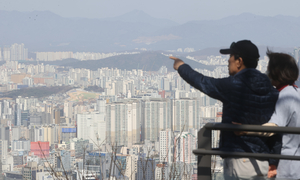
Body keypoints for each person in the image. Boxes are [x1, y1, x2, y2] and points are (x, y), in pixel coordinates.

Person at [170, 40, 279, 179]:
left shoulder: (234, 85)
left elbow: (204, 82)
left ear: (239, 61)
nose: (228, 61)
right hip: (263, 159)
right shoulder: (270, 88)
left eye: (231, 57)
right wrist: (274, 160)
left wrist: (181, 66)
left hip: (239, 158)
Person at [235, 51, 300, 179]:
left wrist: (245, 131)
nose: (267, 73)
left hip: (288, 168)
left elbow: (271, 129)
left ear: (277, 72)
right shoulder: (296, 92)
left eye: (269, 69)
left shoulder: (286, 96)